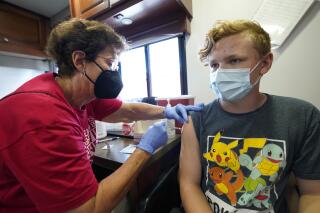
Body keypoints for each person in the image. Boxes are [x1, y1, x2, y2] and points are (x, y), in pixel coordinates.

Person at [0, 18, 203, 213]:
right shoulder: (44, 117)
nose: (114, 72)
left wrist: (166, 111)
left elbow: (127, 110)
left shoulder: (79, 94)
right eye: (109, 63)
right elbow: (89, 209)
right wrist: (144, 150)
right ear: (79, 60)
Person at [179, 20, 320, 213]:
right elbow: (188, 184)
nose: (220, 73)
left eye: (234, 60)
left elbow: (313, 194)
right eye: (214, 65)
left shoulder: (302, 117)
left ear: (265, 63)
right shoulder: (195, 120)